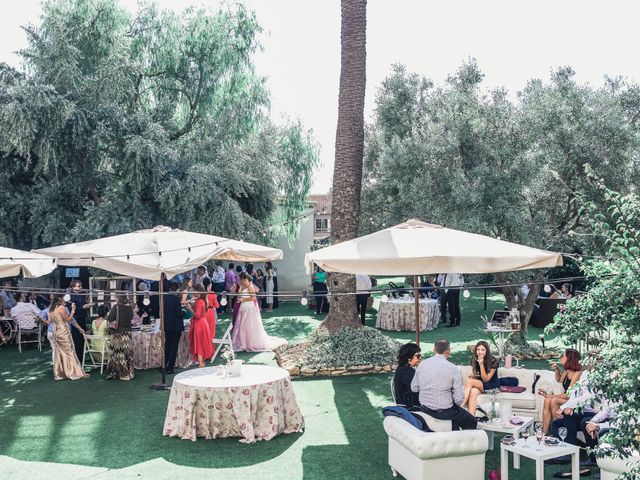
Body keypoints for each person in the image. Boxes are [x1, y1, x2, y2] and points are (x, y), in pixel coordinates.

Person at [411, 339, 477, 430]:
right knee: (472, 421)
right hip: (445, 411)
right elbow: (459, 399)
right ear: (448, 351)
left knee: (457, 418)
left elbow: (414, 388)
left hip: (424, 408)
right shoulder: (453, 368)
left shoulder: (422, 364)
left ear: (434, 349)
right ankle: (463, 440)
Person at [231, 272, 286, 352]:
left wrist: (243, 299)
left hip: (249, 307)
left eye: (245, 280)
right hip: (243, 307)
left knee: (249, 325)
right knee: (242, 325)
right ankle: (243, 342)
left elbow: (253, 298)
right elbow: (239, 294)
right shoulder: (243, 286)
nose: (243, 282)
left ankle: (250, 343)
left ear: (248, 280)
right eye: (242, 280)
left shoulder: (250, 287)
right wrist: (241, 289)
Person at [539, 348, 583, 433]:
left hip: (575, 401)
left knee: (553, 400)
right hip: (567, 398)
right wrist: (557, 369)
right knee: (547, 400)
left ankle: (557, 432)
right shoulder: (567, 370)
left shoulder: (577, 373)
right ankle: (545, 432)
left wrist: (549, 395)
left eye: (563, 356)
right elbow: (559, 380)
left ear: (570, 359)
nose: (560, 357)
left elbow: (568, 395)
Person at [48, 294, 89, 380]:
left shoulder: (51, 310)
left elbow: (50, 320)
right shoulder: (61, 308)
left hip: (56, 331)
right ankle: (75, 372)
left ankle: (60, 373)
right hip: (63, 331)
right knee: (70, 351)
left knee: (59, 352)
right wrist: (73, 310)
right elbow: (68, 319)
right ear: (60, 299)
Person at [462, 341, 500, 415]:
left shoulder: (494, 361)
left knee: (470, 381)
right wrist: (473, 375)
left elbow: (486, 379)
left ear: (487, 351)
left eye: (483, 350)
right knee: (473, 391)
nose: (480, 352)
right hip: (481, 385)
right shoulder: (474, 359)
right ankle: (471, 418)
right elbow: (475, 374)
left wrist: (481, 364)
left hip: (492, 386)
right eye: (478, 349)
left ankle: (462, 403)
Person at [106, 294, 134, 380]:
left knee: (118, 353)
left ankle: (121, 373)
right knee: (127, 353)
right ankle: (130, 373)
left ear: (118, 298)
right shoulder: (129, 308)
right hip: (127, 333)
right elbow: (131, 317)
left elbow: (110, 318)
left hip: (117, 333)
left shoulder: (116, 307)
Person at [188, 285, 213, 367]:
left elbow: (197, 315)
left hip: (199, 324)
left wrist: (190, 309)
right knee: (201, 343)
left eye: (195, 291)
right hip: (203, 323)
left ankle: (201, 364)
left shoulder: (199, 302)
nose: (194, 292)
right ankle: (202, 363)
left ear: (199, 291)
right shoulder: (203, 300)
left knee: (199, 344)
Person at [69, 279, 93, 361]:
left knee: (82, 339)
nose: (81, 287)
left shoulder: (81, 295)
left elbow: (84, 305)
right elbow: (77, 308)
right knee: (77, 340)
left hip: (82, 319)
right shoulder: (71, 297)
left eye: (81, 286)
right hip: (75, 320)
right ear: (73, 287)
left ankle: (81, 358)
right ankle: (77, 359)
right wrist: (86, 306)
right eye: (79, 286)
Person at [163, 281, 184, 374]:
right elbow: (178, 313)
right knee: (173, 346)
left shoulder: (164, 298)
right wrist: (184, 311)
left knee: (167, 345)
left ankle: (164, 365)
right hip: (176, 326)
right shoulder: (176, 299)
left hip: (167, 325)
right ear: (176, 289)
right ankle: (170, 367)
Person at [393, 343, 421, 408]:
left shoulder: (402, 368)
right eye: (418, 356)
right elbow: (414, 392)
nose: (420, 358)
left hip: (404, 404)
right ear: (409, 357)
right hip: (409, 407)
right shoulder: (407, 371)